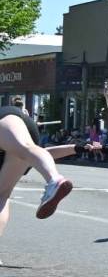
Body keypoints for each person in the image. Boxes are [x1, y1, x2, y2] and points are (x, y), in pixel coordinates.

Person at [0, 105, 74, 251]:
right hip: (21, 124)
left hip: (8, 118)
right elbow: (42, 153)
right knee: (2, 195)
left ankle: (54, 180)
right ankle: (54, 180)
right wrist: (76, 148)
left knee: (25, 147)